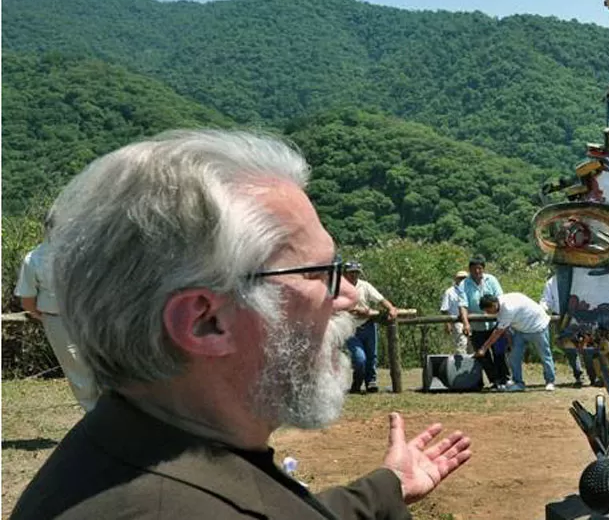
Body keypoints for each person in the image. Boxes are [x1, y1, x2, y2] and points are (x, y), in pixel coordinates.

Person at [11, 131, 471, 519]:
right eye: (319, 274)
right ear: (205, 321)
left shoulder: (131, 450)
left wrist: (386, 488)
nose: (348, 296)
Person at [13, 213, 100, 412]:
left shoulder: (35, 258)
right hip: (77, 317)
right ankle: (100, 416)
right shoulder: (83, 254)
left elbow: (27, 299)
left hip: (67, 318)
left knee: (79, 370)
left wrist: (41, 313)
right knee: (87, 368)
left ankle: (99, 414)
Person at [476, 293, 556, 392]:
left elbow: (498, 332)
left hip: (538, 326)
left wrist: (483, 348)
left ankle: (550, 381)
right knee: (514, 356)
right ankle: (518, 383)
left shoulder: (508, 308)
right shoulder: (499, 304)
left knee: (544, 355)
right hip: (520, 329)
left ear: (494, 305)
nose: (487, 313)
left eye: (488, 311)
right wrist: (510, 341)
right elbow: (505, 328)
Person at [344, 261, 399, 394]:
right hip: (349, 328)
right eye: (351, 272)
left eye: (356, 272)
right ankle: (357, 382)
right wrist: (358, 310)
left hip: (368, 325)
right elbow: (337, 305)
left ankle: (371, 382)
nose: (354, 275)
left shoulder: (365, 286)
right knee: (359, 358)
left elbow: (380, 299)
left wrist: (391, 308)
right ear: (345, 273)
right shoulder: (340, 287)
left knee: (371, 356)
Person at [457, 255, 508, 389]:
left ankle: (505, 379)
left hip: (495, 324)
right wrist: (466, 323)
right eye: (474, 269)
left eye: (480, 268)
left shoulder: (492, 280)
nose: (477, 271)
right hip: (477, 327)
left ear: (483, 269)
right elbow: (463, 305)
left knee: (499, 352)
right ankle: (495, 381)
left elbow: (500, 298)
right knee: (482, 355)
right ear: (470, 270)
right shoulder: (464, 284)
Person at [539, 273, 592, 387]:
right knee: (569, 349)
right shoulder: (552, 282)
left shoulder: (580, 278)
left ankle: (593, 376)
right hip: (560, 317)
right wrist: (541, 310)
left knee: (586, 346)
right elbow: (546, 300)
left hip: (580, 315)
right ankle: (579, 375)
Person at [440, 271, 469, 354]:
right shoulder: (449, 292)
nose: (462, 280)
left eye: (464, 278)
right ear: (456, 279)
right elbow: (444, 309)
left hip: (471, 321)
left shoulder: (469, 290)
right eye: (460, 278)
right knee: (462, 343)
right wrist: (447, 324)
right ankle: (461, 365)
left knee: (472, 345)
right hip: (457, 321)